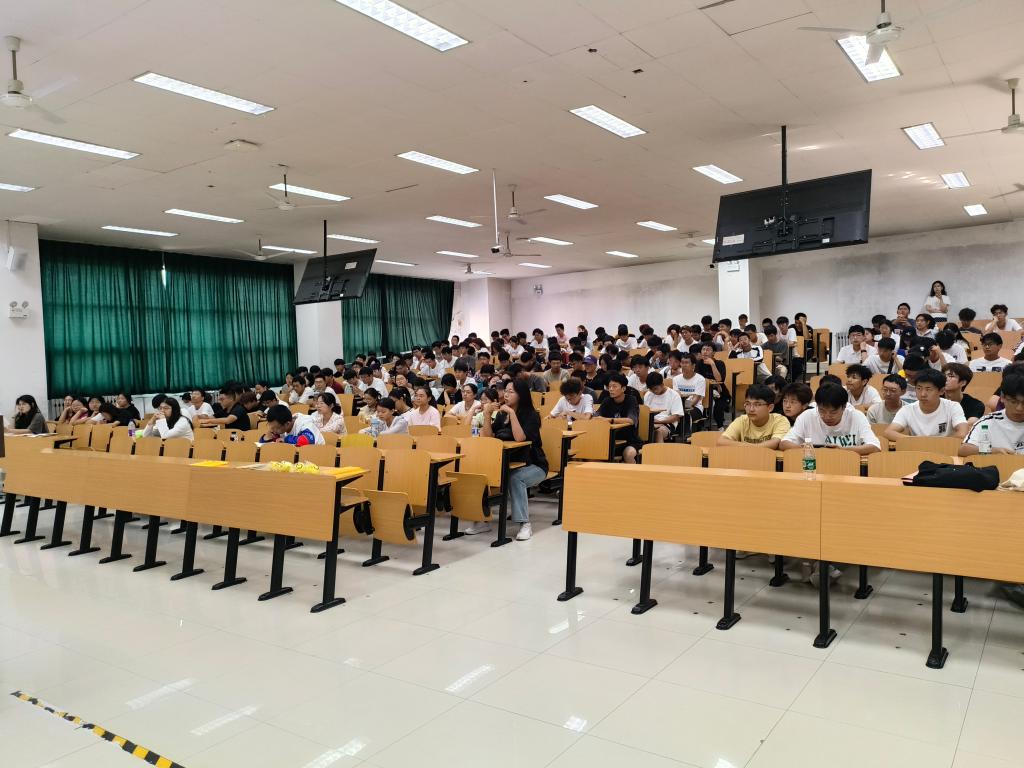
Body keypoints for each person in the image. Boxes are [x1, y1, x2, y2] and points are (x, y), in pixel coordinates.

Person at [473, 379, 547, 541]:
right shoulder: (501, 415)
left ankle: (524, 524)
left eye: (511, 392)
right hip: (508, 463)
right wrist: (487, 415)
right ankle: (483, 520)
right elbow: (488, 437)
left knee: (515, 478)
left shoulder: (531, 415)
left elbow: (520, 438)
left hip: (534, 465)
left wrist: (512, 414)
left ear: (521, 395)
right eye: (505, 391)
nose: (505, 394)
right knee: (481, 476)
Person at [780, 384, 881, 454]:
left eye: (833, 412)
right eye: (822, 411)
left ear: (844, 407)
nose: (827, 416)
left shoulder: (857, 416)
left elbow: (875, 447)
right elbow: (784, 443)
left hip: (847, 466)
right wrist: (808, 450)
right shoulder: (807, 416)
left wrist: (841, 451)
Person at [885, 368, 968, 441]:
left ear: (942, 391)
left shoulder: (953, 407)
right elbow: (889, 432)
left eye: (928, 389)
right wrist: (919, 442)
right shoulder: (907, 409)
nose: (923, 394)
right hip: (917, 450)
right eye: (919, 388)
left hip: (944, 450)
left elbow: (962, 433)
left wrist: (934, 444)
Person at [959, 374, 1024, 456]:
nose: (1019, 408)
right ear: (1002, 397)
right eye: (1013, 402)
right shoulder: (988, 422)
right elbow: (963, 450)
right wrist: (993, 450)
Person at [717, 384, 790, 449]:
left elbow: (775, 442)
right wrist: (752, 447)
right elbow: (721, 442)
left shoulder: (780, 420)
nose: (751, 409)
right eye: (748, 404)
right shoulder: (742, 420)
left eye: (757, 404)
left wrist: (746, 447)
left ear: (770, 408)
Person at [597, 372, 642, 463]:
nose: (611, 389)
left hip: (629, 440)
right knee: (594, 453)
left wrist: (610, 420)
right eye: (609, 387)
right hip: (610, 440)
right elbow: (597, 416)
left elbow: (631, 420)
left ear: (623, 388)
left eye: (614, 386)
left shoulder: (631, 400)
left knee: (629, 454)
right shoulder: (607, 401)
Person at [642, 372, 685, 443]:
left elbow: (675, 417)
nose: (654, 391)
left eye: (655, 388)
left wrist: (659, 422)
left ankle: (660, 450)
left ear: (662, 384)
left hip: (667, 423)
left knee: (658, 432)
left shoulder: (674, 395)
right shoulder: (648, 394)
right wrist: (652, 422)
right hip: (651, 422)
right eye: (651, 389)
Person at [696, 343, 729, 428]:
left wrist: (713, 364)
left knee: (718, 408)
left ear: (714, 353)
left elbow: (719, 380)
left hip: (721, 393)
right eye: (703, 349)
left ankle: (720, 427)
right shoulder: (698, 363)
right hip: (704, 391)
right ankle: (700, 428)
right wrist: (713, 383)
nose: (705, 352)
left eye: (708, 350)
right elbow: (698, 380)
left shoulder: (720, 363)